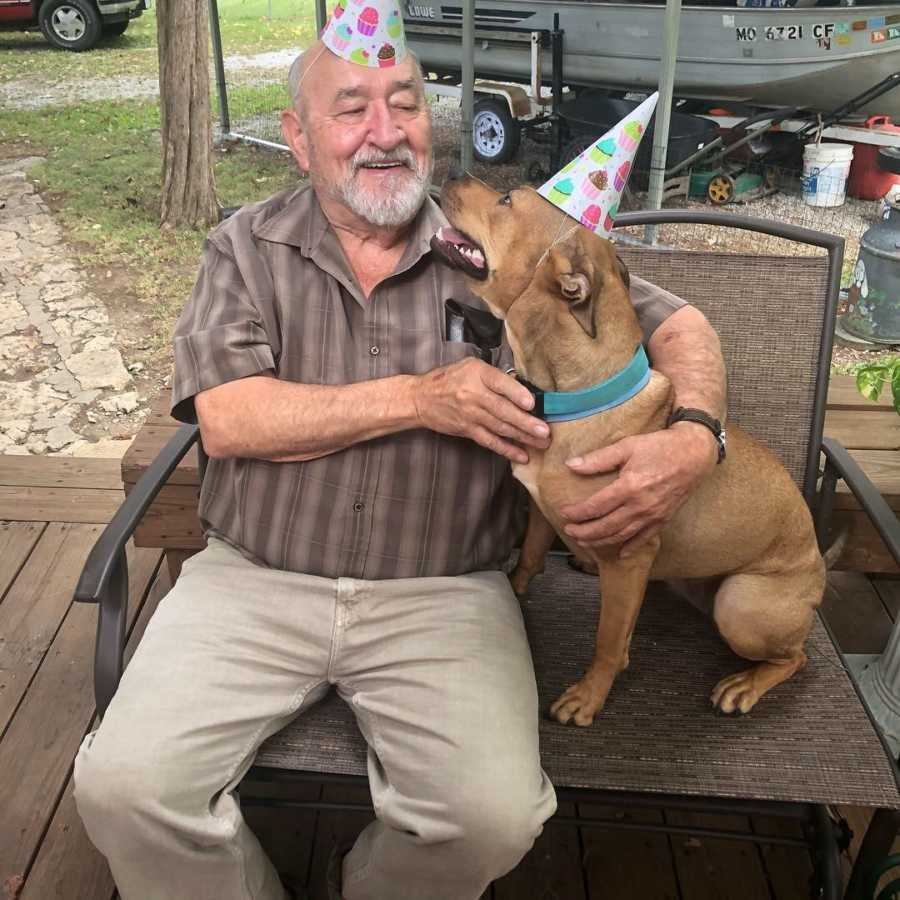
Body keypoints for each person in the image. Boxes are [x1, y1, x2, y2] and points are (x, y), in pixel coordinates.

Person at [72, 14, 726, 900]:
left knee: (492, 815)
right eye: (351, 110)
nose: (385, 132)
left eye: (405, 103)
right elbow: (228, 419)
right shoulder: (246, 247)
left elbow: (680, 323)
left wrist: (696, 433)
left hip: (445, 588)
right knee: (124, 791)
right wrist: (422, 398)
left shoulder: (505, 249)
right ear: (299, 138)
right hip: (255, 579)